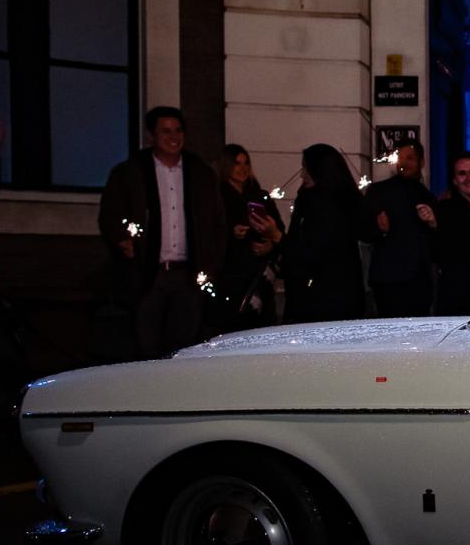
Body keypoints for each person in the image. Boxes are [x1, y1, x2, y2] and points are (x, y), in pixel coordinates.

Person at [97, 106, 226, 359]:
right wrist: (122, 239)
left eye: (178, 130)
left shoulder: (198, 173)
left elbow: (217, 222)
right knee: (146, 344)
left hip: (187, 274)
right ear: (151, 136)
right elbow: (110, 213)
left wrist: (211, 265)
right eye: (165, 131)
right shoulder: (131, 172)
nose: (173, 137)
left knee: (184, 346)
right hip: (148, 274)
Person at [252, 143, 367, 324]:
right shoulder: (314, 199)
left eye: (306, 168)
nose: (302, 175)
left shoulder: (327, 206)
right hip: (322, 297)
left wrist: (276, 236)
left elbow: (311, 253)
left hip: (325, 301)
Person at [212, 144, 283, 333]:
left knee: (262, 324)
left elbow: (279, 229)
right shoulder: (217, 197)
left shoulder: (259, 196)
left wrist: (270, 244)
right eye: (236, 163)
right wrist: (231, 233)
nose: (242, 168)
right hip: (231, 273)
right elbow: (210, 232)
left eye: (246, 163)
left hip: (258, 272)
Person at [363, 142, 438, 317]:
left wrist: (433, 223)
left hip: (418, 282)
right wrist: (380, 229)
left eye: (410, 158)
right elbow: (363, 231)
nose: (404, 163)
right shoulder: (378, 191)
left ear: (422, 162)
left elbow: (433, 240)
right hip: (387, 280)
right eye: (400, 158)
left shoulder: (427, 196)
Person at [433, 151, 470, 316]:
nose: (469, 178)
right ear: (454, 180)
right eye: (462, 174)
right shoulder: (443, 210)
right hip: (456, 299)